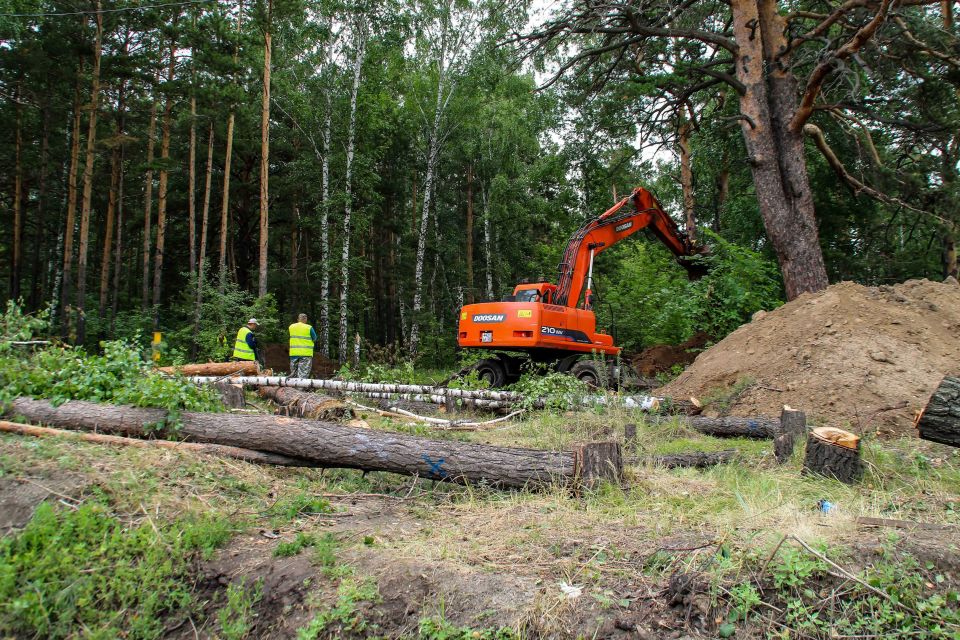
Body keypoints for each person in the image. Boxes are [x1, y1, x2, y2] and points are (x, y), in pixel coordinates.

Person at [288, 313, 317, 378]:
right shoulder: (309, 328)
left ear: (298, 319)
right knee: (303, 375)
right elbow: (314, 338)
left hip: (294, 354)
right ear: (305, 319)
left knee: (293, 374)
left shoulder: (291, 327)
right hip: (306, 354)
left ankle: (293, 387)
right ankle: (300, 388)